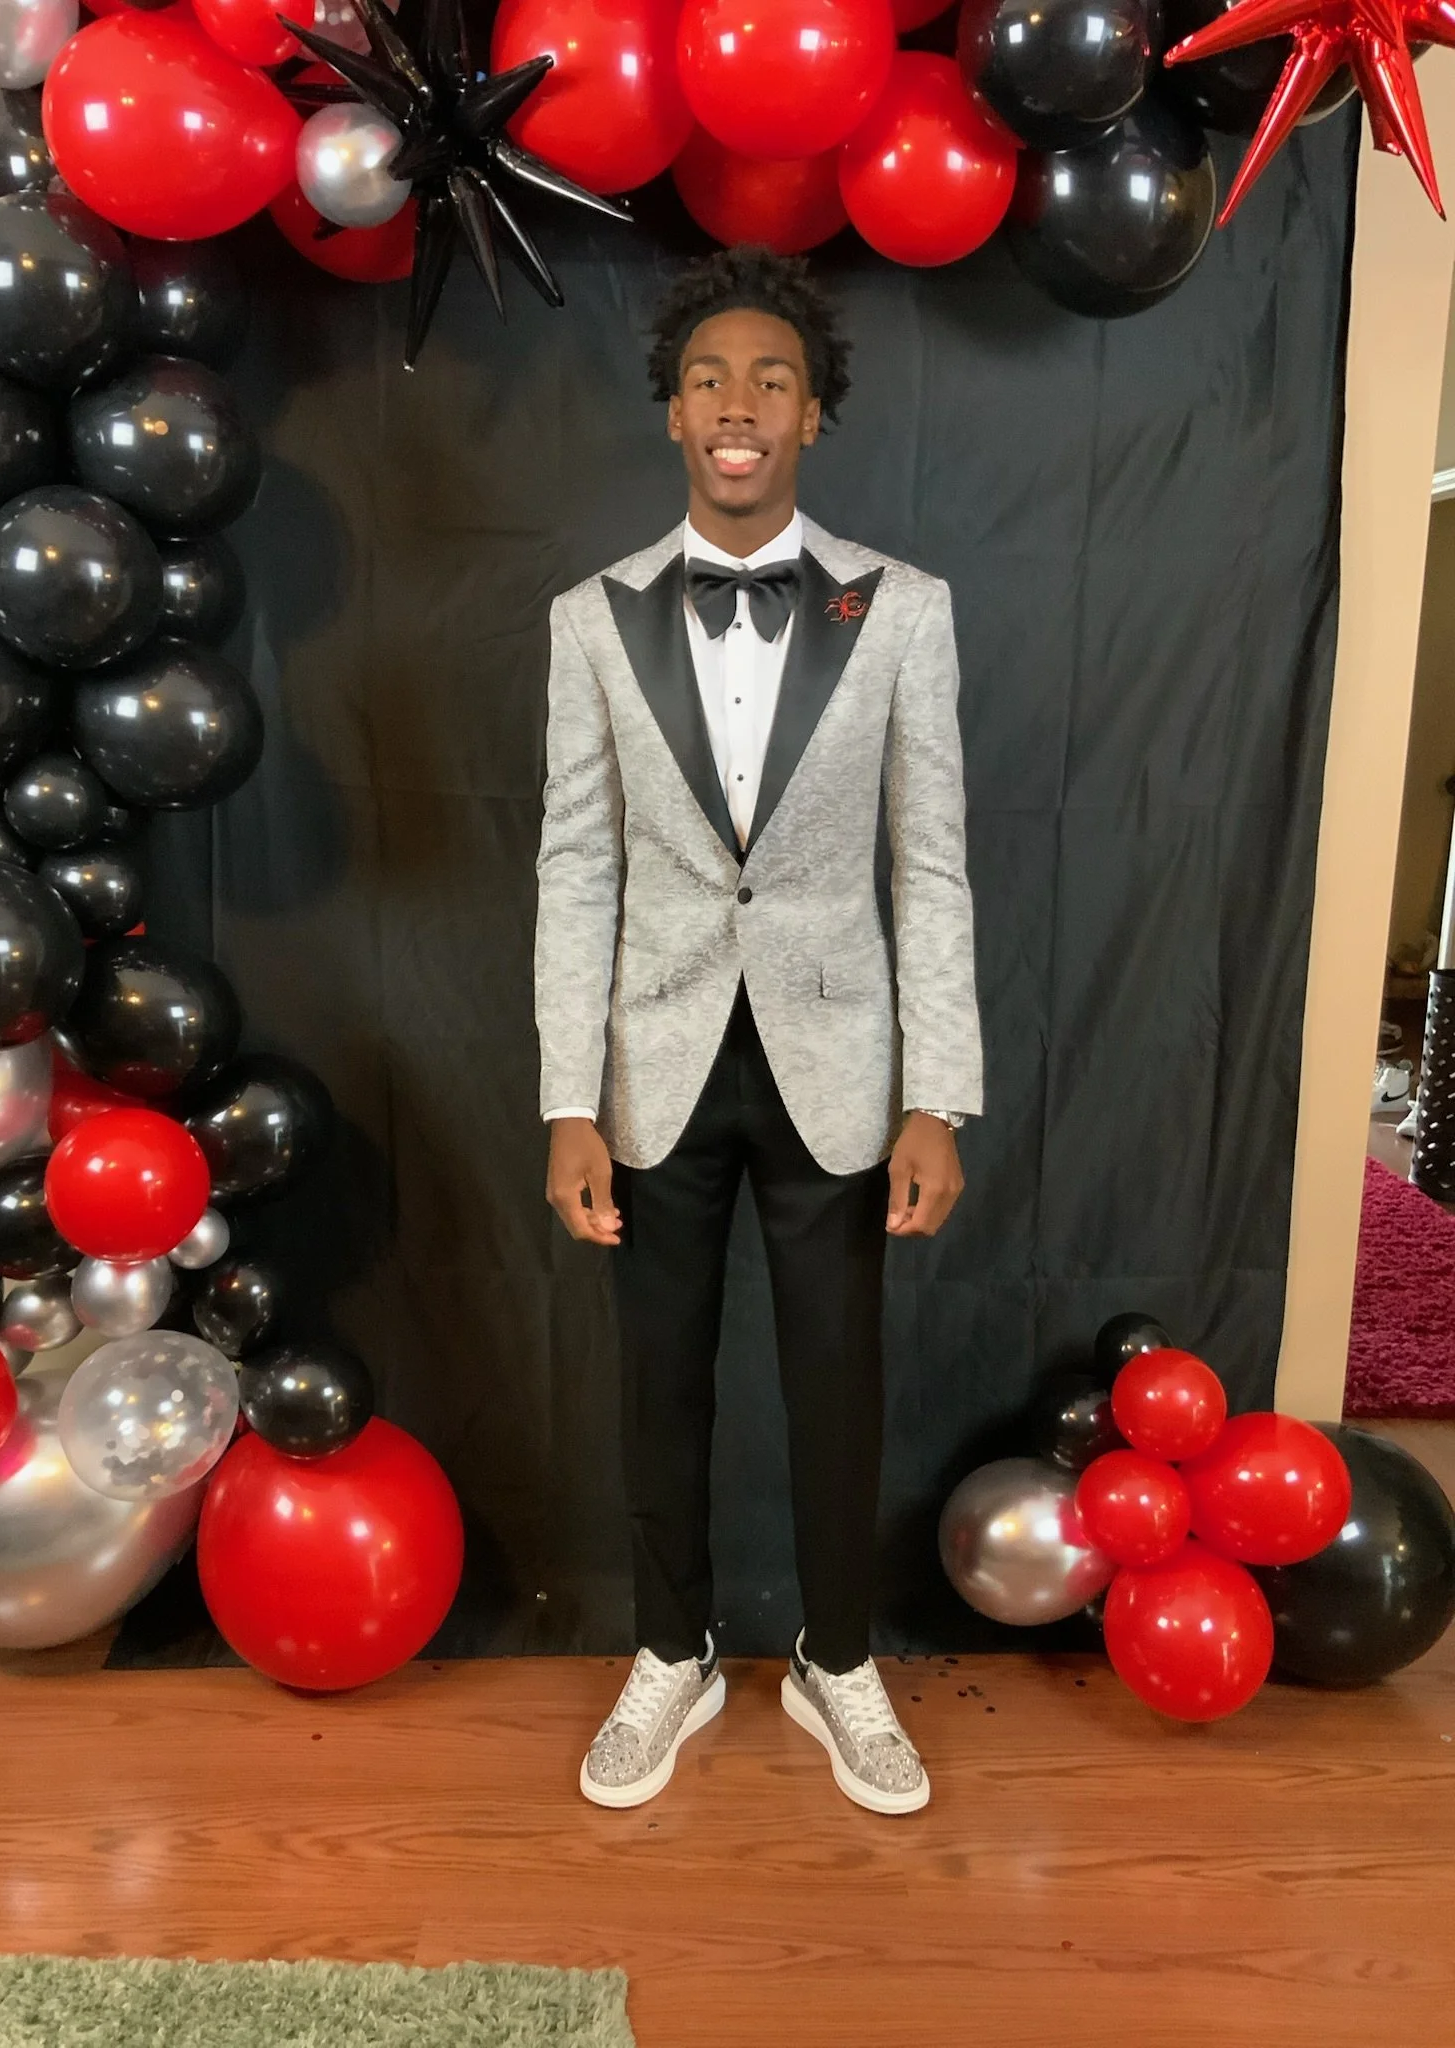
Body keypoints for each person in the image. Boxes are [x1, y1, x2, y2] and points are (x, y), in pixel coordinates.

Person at [534, 246, 982, 1816]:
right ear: (672, 414)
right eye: (710, 379)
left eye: (772, 380)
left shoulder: (904, 611)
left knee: (835, 1377)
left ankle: (835, 1663)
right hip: (652, 1062)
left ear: (812, 416)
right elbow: (574, 864)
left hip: (837, 1062)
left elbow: (932, 862)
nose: (740, 404)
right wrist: (566, 1100)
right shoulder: (589, 620)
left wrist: (939, 1095)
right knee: (658, 1379)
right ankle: (675, 1653)